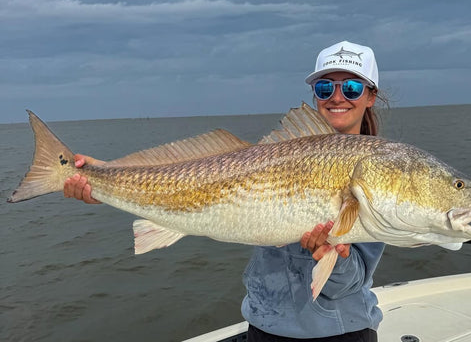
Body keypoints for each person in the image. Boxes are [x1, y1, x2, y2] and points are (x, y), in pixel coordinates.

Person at [63, 40, 385, 341]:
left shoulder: (377, 169)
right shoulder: (285, 150)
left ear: (370, 96)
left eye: (352, 87)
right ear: (315, 94)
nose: (337, 97)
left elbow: (353, 280)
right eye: (325, 86)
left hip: (342, 333)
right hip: (264, 327)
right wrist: (102, 177)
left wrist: (333, 253)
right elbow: (189, 178)